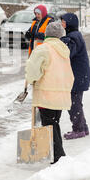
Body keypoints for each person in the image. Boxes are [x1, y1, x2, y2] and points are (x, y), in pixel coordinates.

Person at [25, 21, 74, 164]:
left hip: (47, 94)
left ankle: (59, 158)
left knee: (49, 126)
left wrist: (31, 79)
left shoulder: (43, 49)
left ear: (46, 34)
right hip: (60, 93)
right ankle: (56, 155)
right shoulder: (63, 50)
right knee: (54, 123)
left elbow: (33, 72)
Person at [60, 13, 90, 140]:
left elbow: (68, 52)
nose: (62, 24)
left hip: (77, 77)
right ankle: (83, 127)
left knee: (73, 104)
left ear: (69, 23)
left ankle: (78, 129)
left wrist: (61, 40)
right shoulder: (73, 35)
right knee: (76, 103)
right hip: (78, 75)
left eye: (63, 22)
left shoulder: (74, 36)